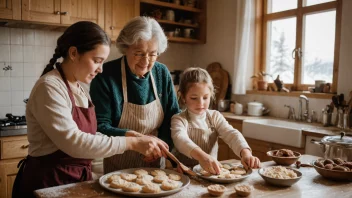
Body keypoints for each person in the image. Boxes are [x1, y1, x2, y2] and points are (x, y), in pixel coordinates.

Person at [12, 21, 168, 198]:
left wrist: (128, 135)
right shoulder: (49, 87)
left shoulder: (76, 87)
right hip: (48, 184)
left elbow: (90, 134)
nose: (100, 70)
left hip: (73, 180)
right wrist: (130, 143)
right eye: (96, 61)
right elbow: (74, 142)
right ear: (73, 53)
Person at [90, 16, 180, 173]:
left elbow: (172, 118)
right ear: (126, 48)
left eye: (153, 54)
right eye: (139, 53)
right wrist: (138, 141)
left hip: (156, 162)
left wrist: (162, 148)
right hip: (117, 164)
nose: (146, 61)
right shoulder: (106, 75)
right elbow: (100, 126)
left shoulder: (162, 73)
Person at [171, 67, 261, 175]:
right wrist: (202, 157)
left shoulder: (215, 116)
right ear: (183, 97)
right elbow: (180, 139)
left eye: (205, 97)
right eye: (194, 98)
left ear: (211, 95)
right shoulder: (179, 119)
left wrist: (245, 153)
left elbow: (231, 134)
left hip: (211, 174)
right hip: (185, 174)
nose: (201, 103)